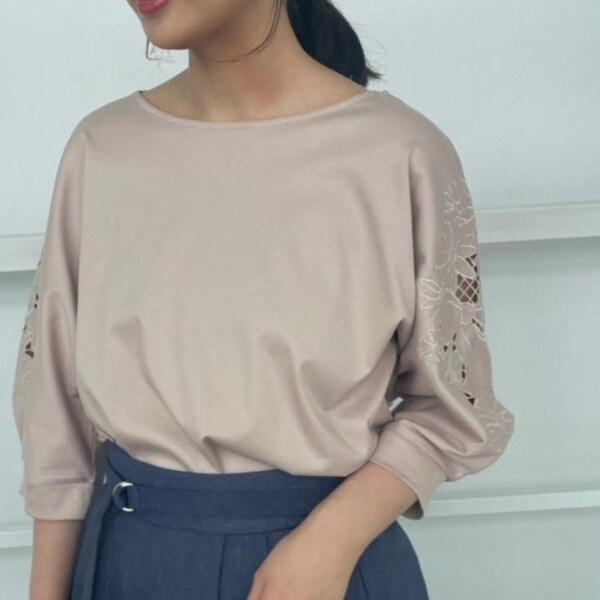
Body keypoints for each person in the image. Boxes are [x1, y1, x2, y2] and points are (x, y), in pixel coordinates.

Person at [11, 0, 516, 599]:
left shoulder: (400, 152)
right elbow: (55, 415)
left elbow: (454, 408)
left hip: (326, 569)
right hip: (129, 560)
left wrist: (334, 538)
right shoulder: (102, 148)